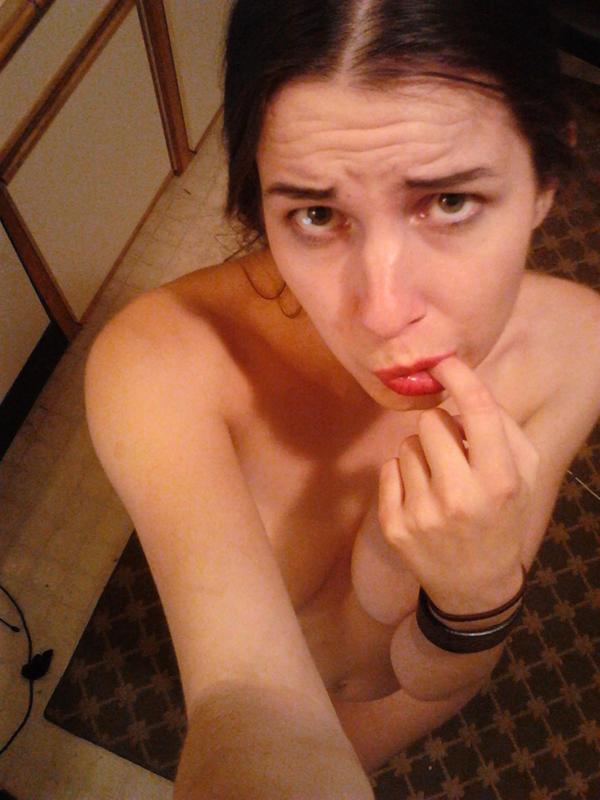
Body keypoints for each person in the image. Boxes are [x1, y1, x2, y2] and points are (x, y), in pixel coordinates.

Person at [85, 1, 600, 797]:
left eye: (450, 202)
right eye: (317, 215)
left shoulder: (579, 347)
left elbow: (434, 677)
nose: (384, 311)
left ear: (544, 181)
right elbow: (243, 698)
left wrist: (474, 598)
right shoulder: (164, 362)